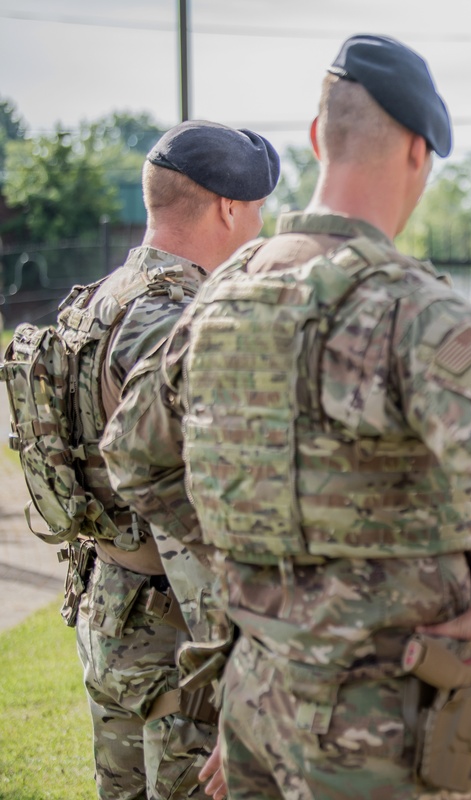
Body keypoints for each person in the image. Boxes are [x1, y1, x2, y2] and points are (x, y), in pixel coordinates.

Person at [101, 33, 471, 800]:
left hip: (254, 692)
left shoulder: (216, 302)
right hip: (384, 712)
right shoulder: (414, 311)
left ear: (320, 138)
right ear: (419, 152)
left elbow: (133, 457)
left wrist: (248, 563)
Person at [67, 120, 279, 799]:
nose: (259, 227)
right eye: (256, 210)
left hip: (111, 612)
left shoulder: (102, 300)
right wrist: (236, 676)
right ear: (227, 208)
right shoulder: (179, 320)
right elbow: (191, 520)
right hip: (176, 642)